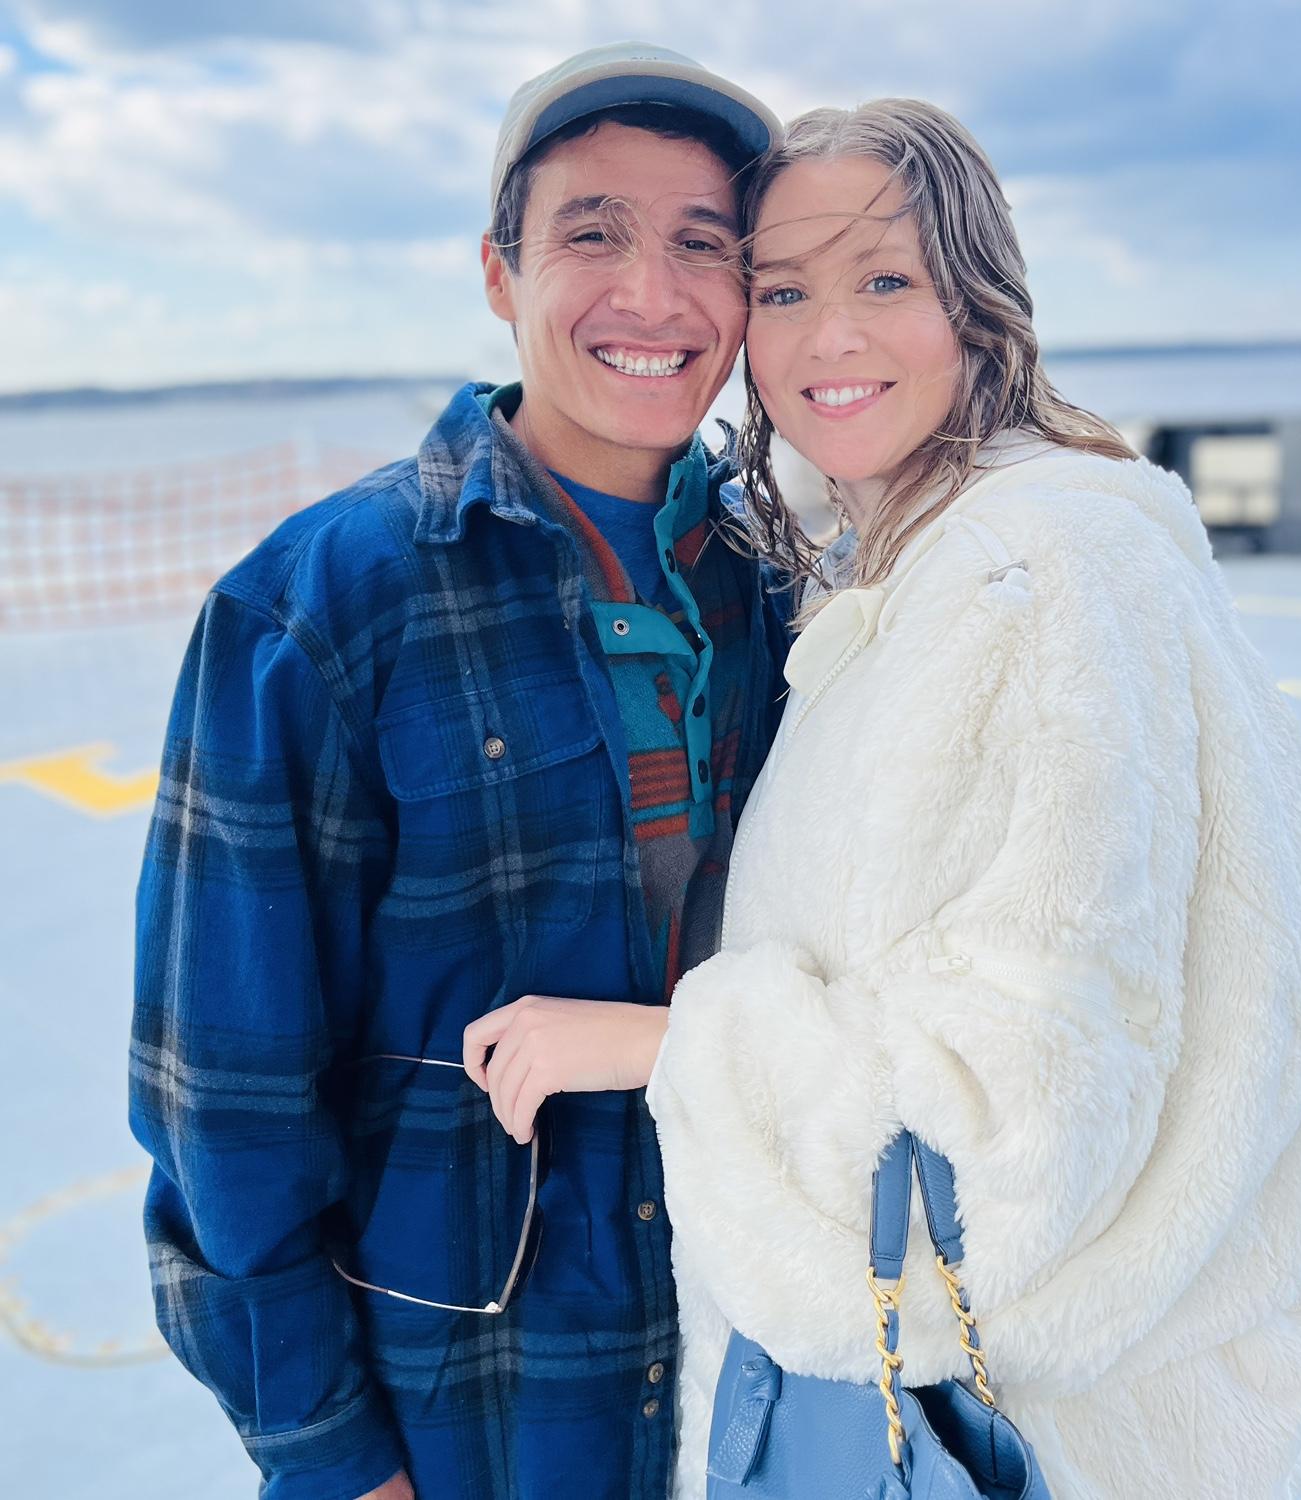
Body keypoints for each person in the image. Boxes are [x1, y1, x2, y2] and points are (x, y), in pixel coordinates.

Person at [635, 101, 1301, 1498]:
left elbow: (1019, 1140)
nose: (827, 338)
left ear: (977, 301)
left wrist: (668, 1049)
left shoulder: (1033, 581)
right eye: (783, 290)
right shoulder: (925, 555)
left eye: (885, 280)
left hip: (1029, 1437)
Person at [129, 43, 786, 1500]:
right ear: (499, 272)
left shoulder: (779, 586)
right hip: (475, 1416)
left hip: (747, 1369)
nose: (653, 296)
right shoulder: (320, 607)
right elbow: (221, 1102)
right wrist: (329, 1455)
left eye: (706, 246)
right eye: (592, 234)